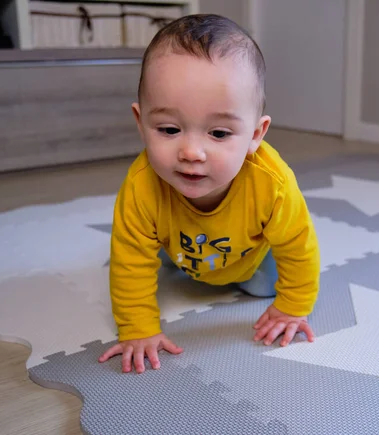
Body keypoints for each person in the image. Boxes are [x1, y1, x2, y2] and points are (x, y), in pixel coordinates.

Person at [98, 13, 320, 374]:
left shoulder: (272, 182)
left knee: (269, 285)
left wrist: (293, 306)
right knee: (147, 259)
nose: (191, 152)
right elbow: (130, 259)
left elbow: (298, 246)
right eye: (169, 129)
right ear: (141, 124)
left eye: (218, 134)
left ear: (255, 135)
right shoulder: (141, 185)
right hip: (181, 248)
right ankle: (174, 257)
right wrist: (138, 329)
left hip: (251, 259)